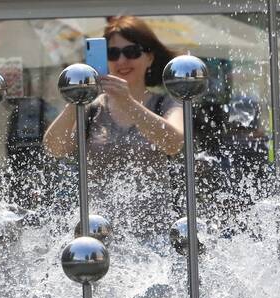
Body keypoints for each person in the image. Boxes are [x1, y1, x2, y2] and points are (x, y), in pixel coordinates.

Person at [43, 15, 183, 240]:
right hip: (98, 237)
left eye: (132, 52)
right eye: (113, 53)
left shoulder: (165, 103)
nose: (122, 61)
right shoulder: (90, 109)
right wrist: (77, 98)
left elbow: (174, 143)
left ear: (149, 57)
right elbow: (54, 148)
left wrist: (128, 102)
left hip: (155, 240)